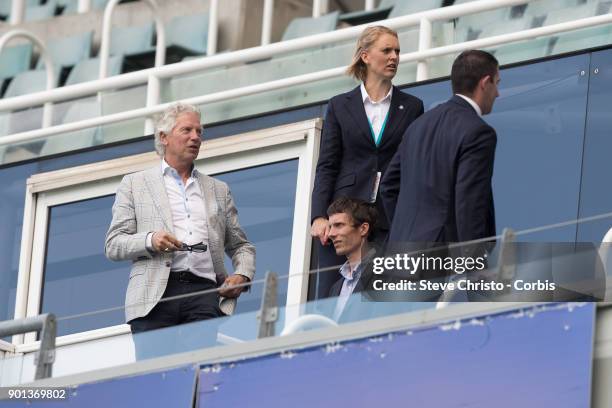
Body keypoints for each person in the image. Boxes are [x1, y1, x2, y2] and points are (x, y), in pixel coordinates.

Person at [105, 102, 255, 358]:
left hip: (204, 292)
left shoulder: (218, 189)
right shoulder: (134, 183)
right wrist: (151, 240)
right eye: (187, 130)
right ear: (163, 137)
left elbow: (241, 245)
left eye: (199, 131)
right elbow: (114, 244)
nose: (196, 137)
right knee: (155, 379)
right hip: (154, 294)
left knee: (194, 374)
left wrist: (242, 274)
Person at [310, 25, 424, 298]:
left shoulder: (412, 107)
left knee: (381, 296)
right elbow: (327, 164)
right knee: (333, 296)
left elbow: (414, 168)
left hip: (389, 217)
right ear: (365, 56)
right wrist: (318, 216)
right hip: (345, 217)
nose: (394, 57)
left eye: (397, 51)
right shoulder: (339, 105)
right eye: (386, 50)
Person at [381, 50, 499, 281]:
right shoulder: (478, 132)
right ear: (484, 83)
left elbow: (387, 187)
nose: (498, 92)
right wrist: (476, 270)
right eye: (497, 83)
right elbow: (469, 203)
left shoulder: (418, 126)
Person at [326, 197, 378, 323]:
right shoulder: (335, 288)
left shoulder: (389, 271)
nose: (331, 234)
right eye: (330, 227)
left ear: (363, 229)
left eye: (339, 225)